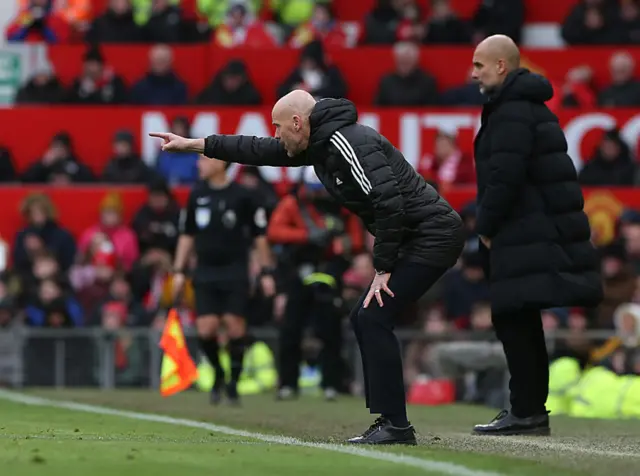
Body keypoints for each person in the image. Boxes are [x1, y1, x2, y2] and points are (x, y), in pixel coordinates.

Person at [150, 89, 465, 445]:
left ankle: (395, 424)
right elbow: (255, 149)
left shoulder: (347, 142)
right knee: (366, 317)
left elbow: (388, 202)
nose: (276, 134)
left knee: (373, 316)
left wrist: (382, 267)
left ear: (298, 123)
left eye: (279, 127)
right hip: (416, 238)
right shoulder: (319, 145)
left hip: (433, 236)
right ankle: (392, 421)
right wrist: (194, 144)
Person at [470, 35, 603, 436]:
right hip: (530, 230)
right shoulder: (525, 107)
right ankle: (528, 410)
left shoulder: (511, 111)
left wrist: (486, 227)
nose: (473, 73)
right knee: (519, 318)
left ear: (501, 67)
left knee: (513, 319)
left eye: (479, 65)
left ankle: (526, 411)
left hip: (522, 232)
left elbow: (504, 177)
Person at [172, 154, 276, 405]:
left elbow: (258, 236)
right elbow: (187, 235)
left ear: (220, 163)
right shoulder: (197, 195)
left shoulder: (243, 196)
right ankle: (218, 374)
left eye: (203, 160)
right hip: (206, 270)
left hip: (235, 270)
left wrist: (265, 272)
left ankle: (233, 383)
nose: (199, 164)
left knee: (234, 326)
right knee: (205, 328)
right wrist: (178, 270)